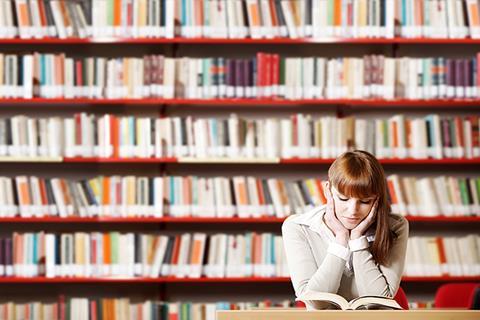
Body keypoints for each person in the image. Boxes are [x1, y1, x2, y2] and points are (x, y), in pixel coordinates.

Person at [282, 150, 409, 310]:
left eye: (365, 201)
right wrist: (340, 241)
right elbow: (316, 302)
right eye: (343, 198)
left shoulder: (396, 226)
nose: (352, 210)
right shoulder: (298, 227)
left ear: (378, 199)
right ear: (328, 190)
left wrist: (357, 240)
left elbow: (379, 303)